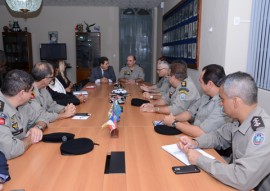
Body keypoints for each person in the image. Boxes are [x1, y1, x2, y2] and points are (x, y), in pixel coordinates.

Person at [177, 72, 270, 191]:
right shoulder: (239, 119)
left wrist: (200, 160)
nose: (220, 103)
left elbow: (243, 178)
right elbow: (218, 137)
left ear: (236, 102)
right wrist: (195, 142)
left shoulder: (263, 132)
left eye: (222, 99)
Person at [162, 64, 230, 137]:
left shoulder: (223, 104)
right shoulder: (206, 96)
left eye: (201, 82)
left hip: (208, 144)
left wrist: (174, 123)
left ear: (210, 84)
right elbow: (190, 113)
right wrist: (173, 119)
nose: (200, 84)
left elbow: (201, 132)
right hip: (194, 134)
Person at [0, 70, 47, 160]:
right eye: (31, 91)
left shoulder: (22, 103)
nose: (32, 95)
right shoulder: (1, 112)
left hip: (22, 158)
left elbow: (42, 117)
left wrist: (37, 128)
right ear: (21, 93)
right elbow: (10, 150)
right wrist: (30, 138)